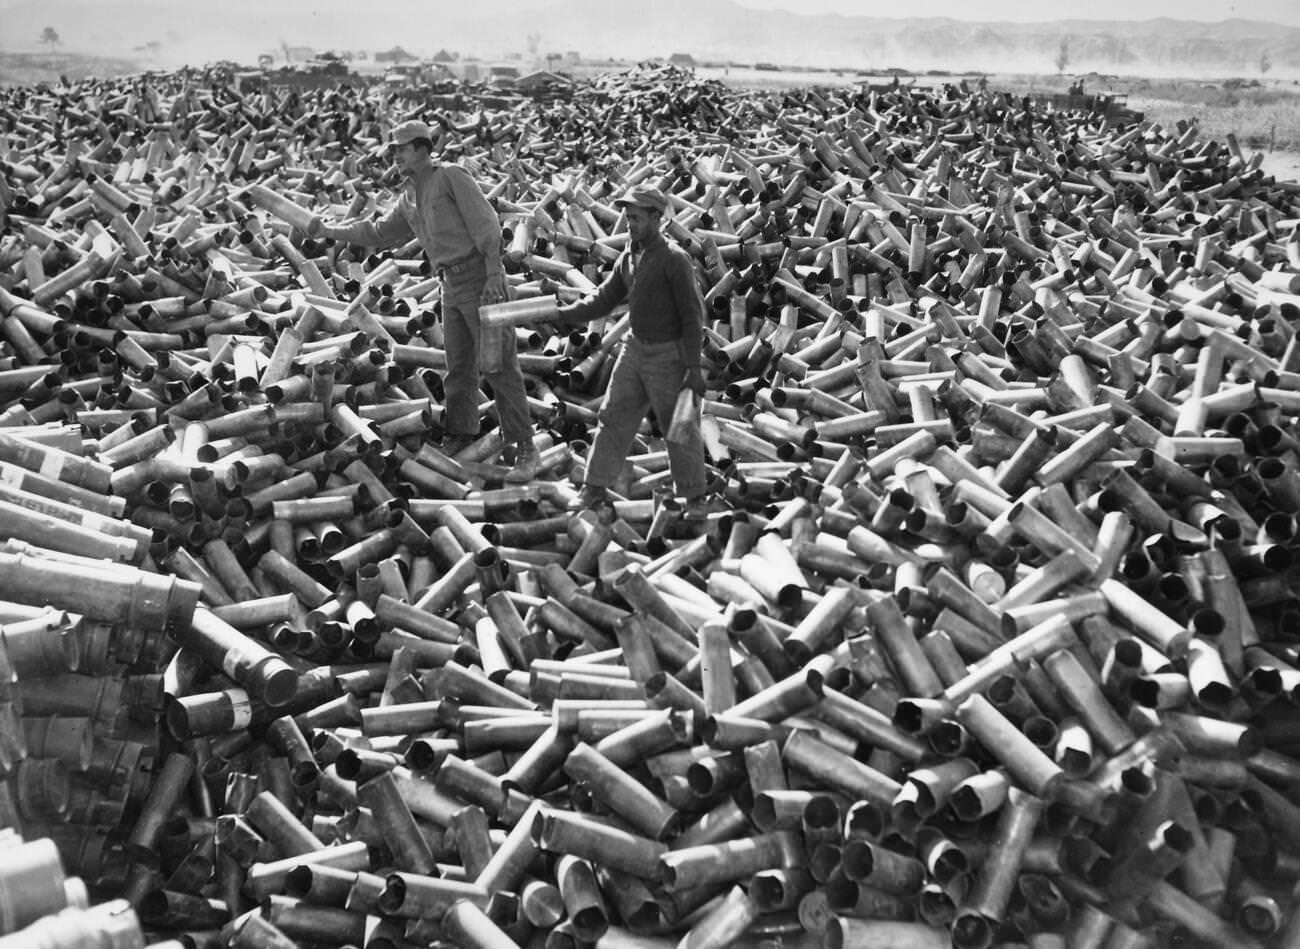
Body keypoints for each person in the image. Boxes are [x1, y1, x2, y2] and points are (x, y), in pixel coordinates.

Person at [309, 120, 539, 482]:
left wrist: (496, 274)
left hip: (481, 279)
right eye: (394, 150)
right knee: (459, 364)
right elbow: (378, 233)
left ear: (421, 148)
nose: (396, 156)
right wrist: (327, 229)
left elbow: (488, 225)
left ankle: (526, 447)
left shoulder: (451, 177)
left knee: (498, 365)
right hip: (450, 285)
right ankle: (462, 432)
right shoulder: (409, 197)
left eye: (401, 149)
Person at [556, 183, 711, 518]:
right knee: (612, 416)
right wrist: (567, 314)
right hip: (634, 349)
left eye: (638, 217)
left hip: (668, 355)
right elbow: (605, 298)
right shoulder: (629, 257)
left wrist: (693, 367)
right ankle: (593, 487)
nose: (630, 223)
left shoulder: (674, 260)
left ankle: (695, 496)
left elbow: (692, 315)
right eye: (628, 217)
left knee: (679, 425)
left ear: (657, 217)